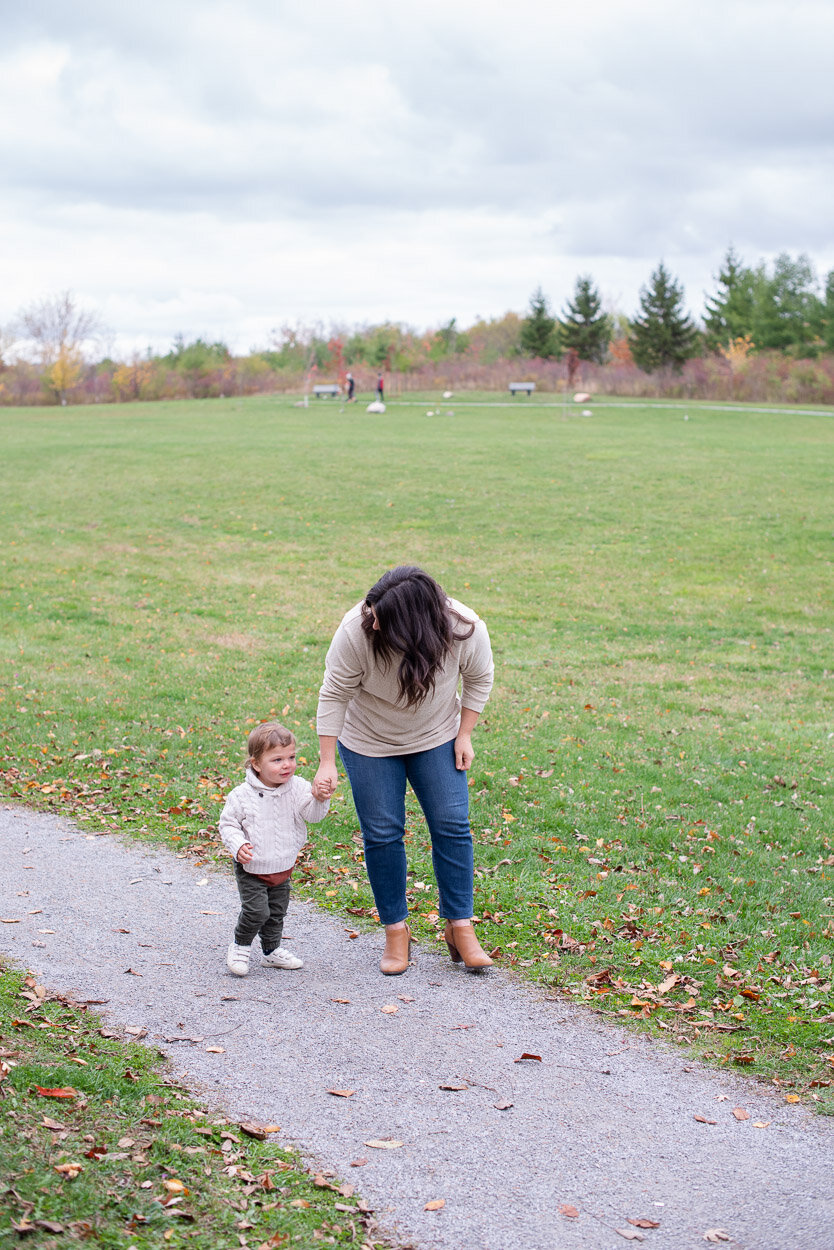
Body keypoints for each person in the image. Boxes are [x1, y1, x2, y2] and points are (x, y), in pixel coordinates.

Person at [315, 566, 494, 975]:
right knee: (382, 832)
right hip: (368, 740)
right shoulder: (356, 630)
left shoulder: (463, 628)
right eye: (372, 612)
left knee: (452, 823)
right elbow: (334, 693)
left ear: (413, 624)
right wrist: (327, 760)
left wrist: (464, 734)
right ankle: (397, 930)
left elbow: (480, 678)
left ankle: (460, 927)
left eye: (382, 617)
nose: (372, 620)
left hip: (435, 735)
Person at [220, 721, 332, 976]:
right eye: (277, 759)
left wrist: (319, 798)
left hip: (283, 864)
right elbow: (228, 824)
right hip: (252, 867)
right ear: (256, 764)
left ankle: (271, 951)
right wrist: (238, 845)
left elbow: (312, 816)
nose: (287, 765)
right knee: (257, 911)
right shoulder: (241, 795)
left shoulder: (298, 787)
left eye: (291, 757)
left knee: (276, 912)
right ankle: (240, 945)